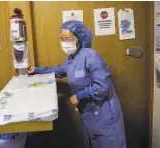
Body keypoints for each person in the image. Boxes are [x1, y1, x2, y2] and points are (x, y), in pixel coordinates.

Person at [25, 20, 126, 148]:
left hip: (104, 115)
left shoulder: (91, 56)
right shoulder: (71, 59)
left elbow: (103, 87)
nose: (64, 42)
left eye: (68, 38)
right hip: (88, 115)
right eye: (62, 38)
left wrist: (79, 96)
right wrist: (36, 70)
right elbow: (58, 71)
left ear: (78, 38)